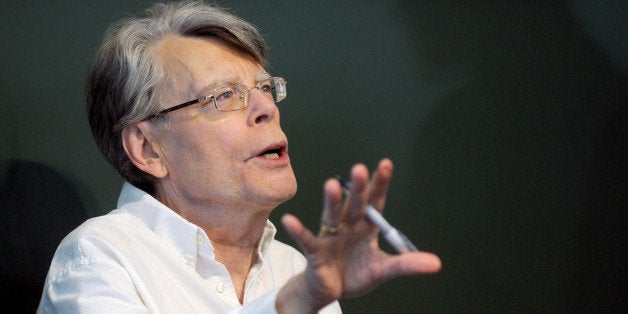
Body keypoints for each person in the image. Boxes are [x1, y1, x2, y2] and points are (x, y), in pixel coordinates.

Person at [37, 1, 441, 313]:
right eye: (224, 95)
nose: (266, 107)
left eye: (265, 87)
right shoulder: (99, 257)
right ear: (148, 148)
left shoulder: (295, 269)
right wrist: (292, 304)